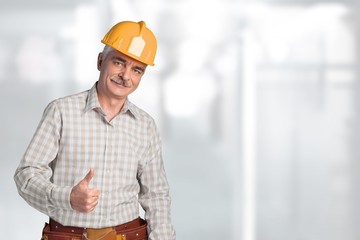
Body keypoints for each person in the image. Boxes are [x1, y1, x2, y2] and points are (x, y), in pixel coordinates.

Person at [14, 20, 176, 240]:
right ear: (101, 61)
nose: (126, 75)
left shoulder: (145, 125)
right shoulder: (62, 112)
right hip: (68, 235)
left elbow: (156, 196)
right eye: (119, 63)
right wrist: (67, 197)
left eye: (136, 70)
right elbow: (26, 175)